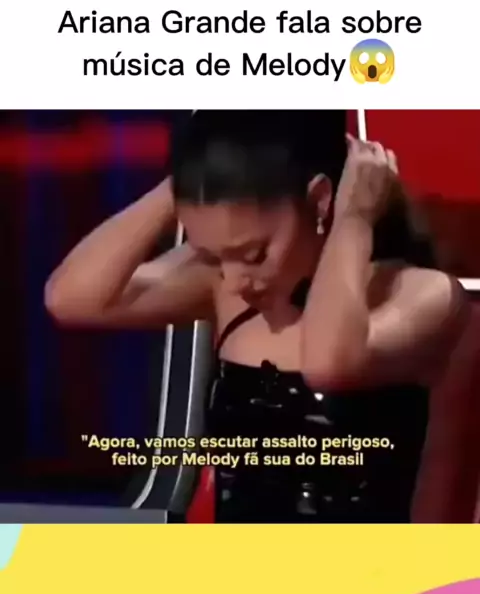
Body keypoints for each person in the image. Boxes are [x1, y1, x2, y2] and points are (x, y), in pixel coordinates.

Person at [45, 110, 468, 523]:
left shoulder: (422, 294)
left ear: (320, 200)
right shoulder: (225, 290)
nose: (234, 281)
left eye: (253, 255)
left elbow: (327, 364)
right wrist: (193, 178)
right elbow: (71, 299)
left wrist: (353, 218)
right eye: (216, 256)